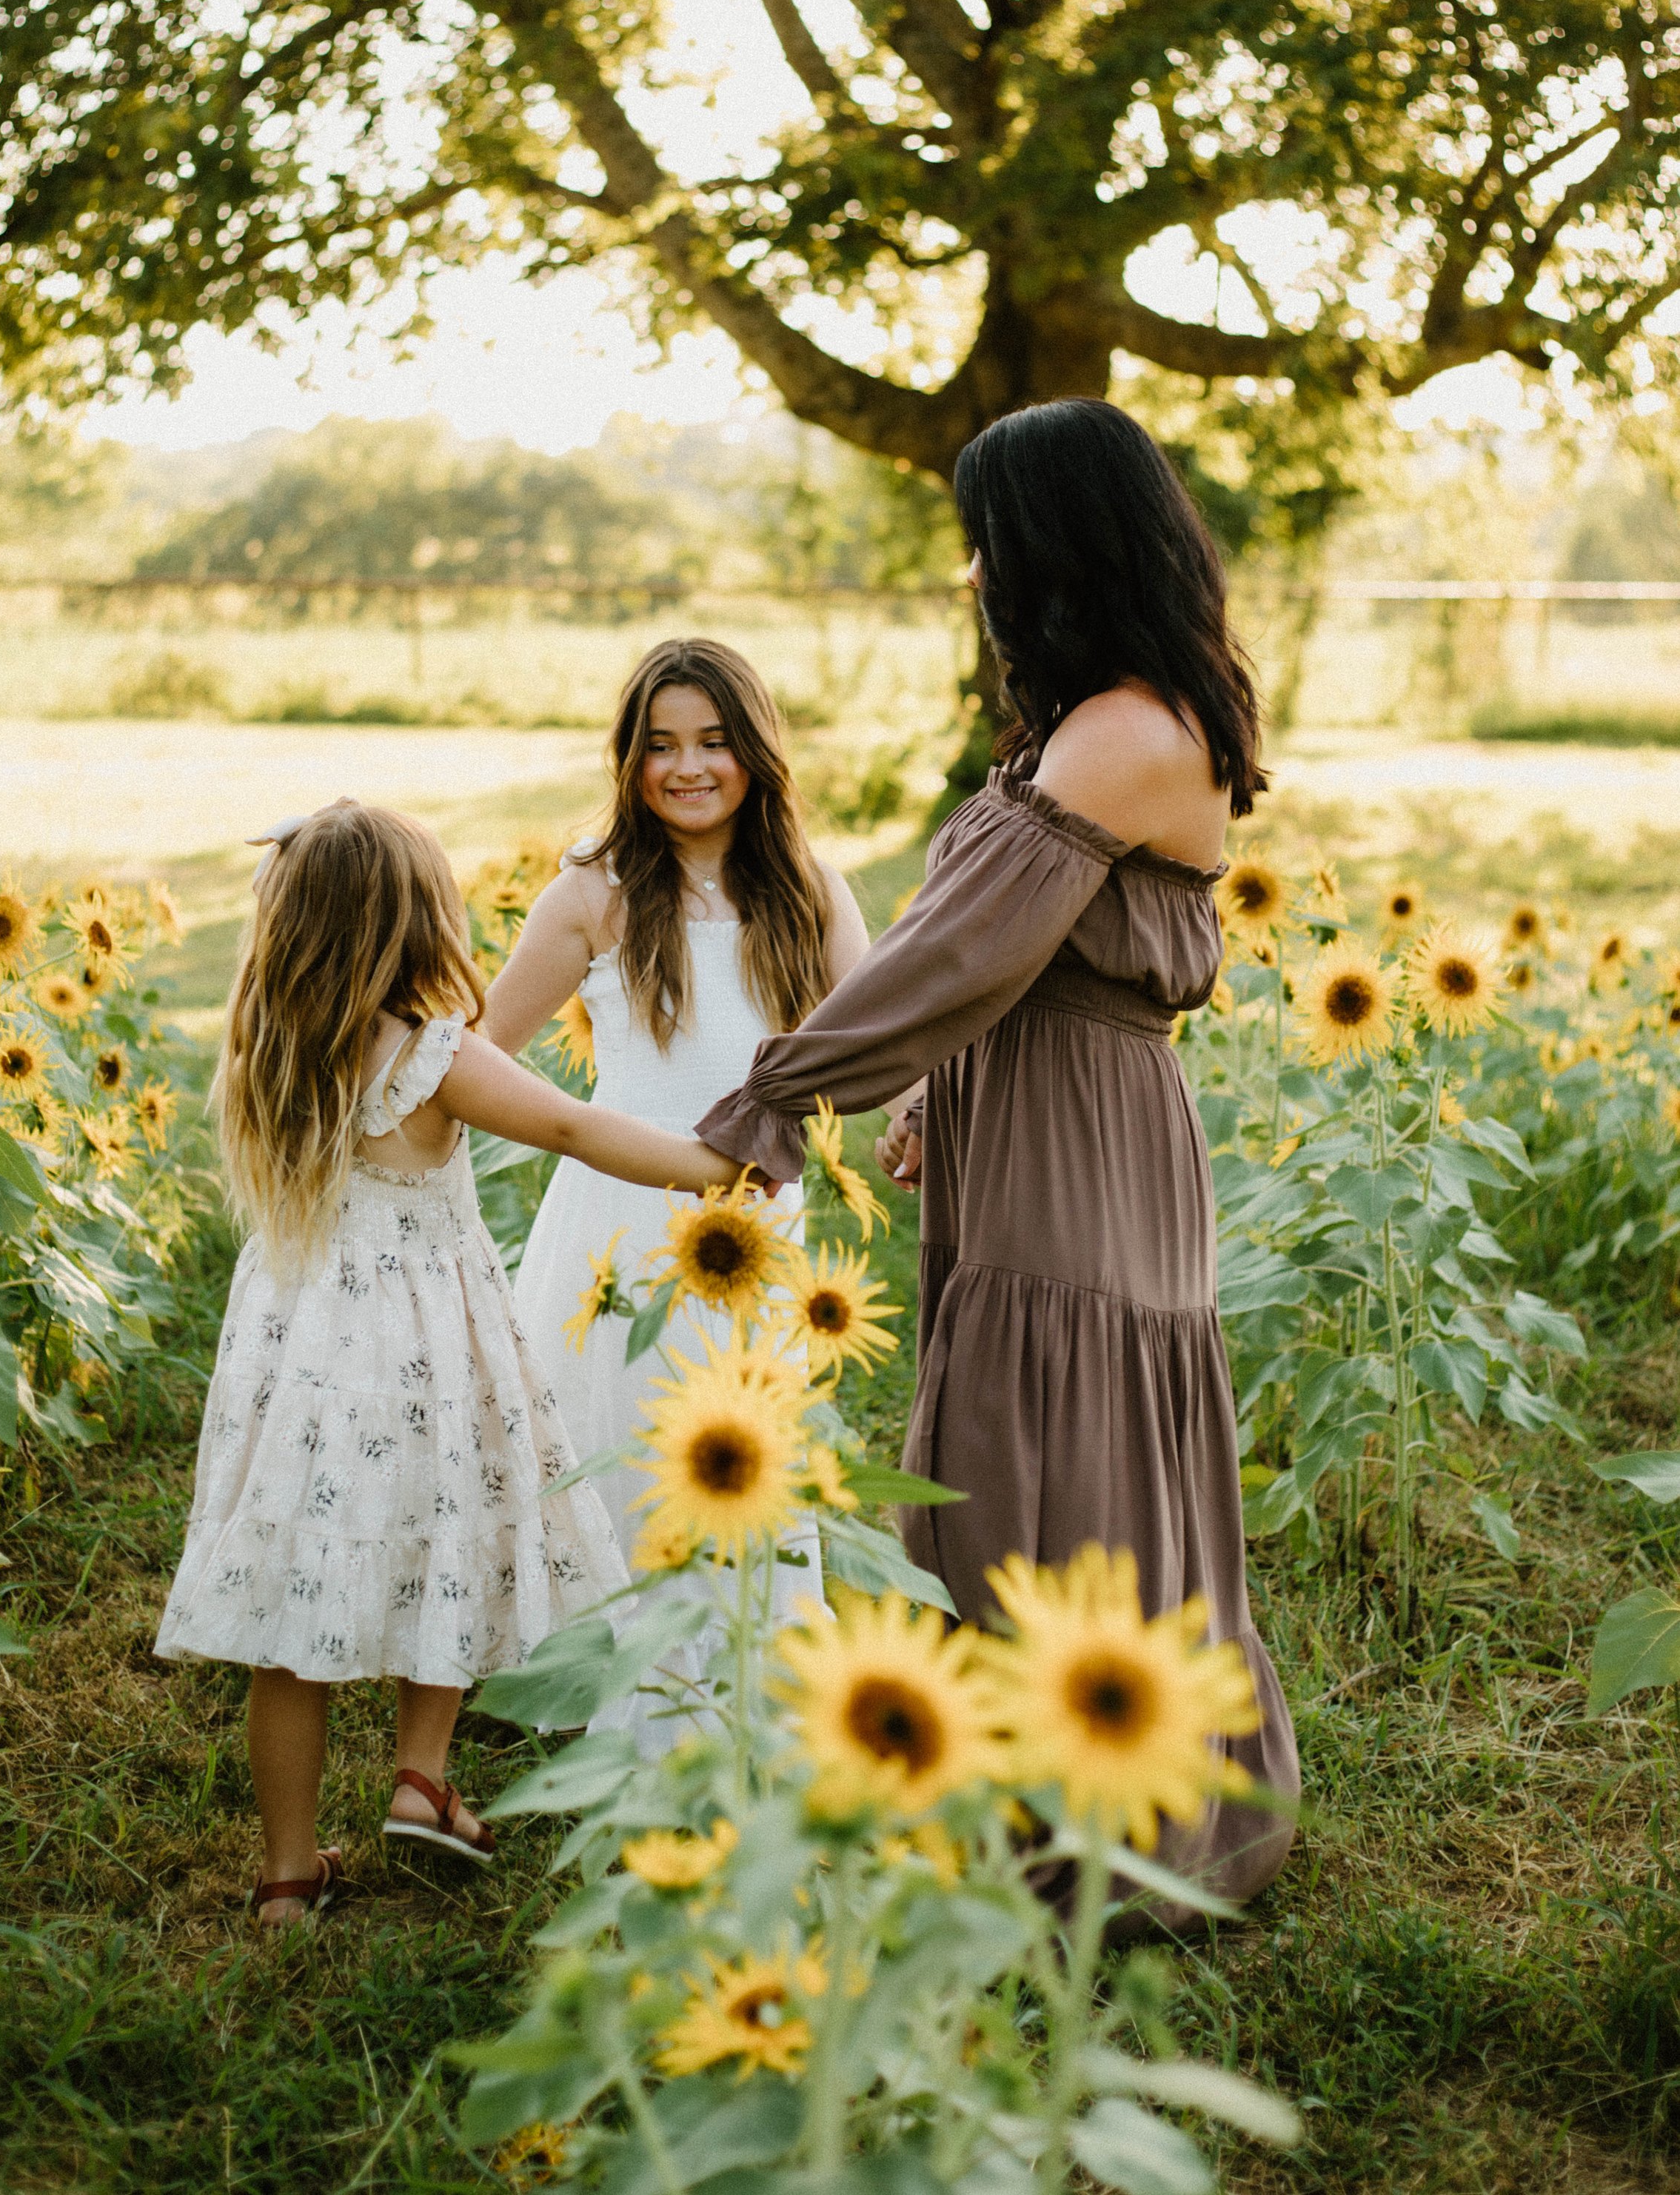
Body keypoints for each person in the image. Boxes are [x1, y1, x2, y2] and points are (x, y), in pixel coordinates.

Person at [696, 401, 1299, 1914]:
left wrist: (784, 1090)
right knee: (1039, 1450)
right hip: (1046, 1115)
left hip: (1081, 1148)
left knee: (1047, 1463)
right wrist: (924, 1100)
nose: (970, 576)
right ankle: (1035, 1806)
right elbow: (1011, 962)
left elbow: (949, 954)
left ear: (1050, 546)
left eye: (986, 543)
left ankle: (1082, 1840)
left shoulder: (1120, 735)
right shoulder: (1101, 720)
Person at [155, 799, 742, 1927]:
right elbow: (573, 1126)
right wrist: (710, 1165)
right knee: (453, 1536)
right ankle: (422, 1772)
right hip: (426, 1340)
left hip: (301, 1351)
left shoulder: (273, 1045)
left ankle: (286, 1877)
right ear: (416, 921)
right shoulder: (433, 1053)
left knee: (292, 1624)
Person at [486, 640, 869, 1589]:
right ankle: (596, 1657)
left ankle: (735, 1651)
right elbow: (481, 1047)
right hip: (613, 1216)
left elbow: (878, 1038)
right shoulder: (590, 892)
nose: (687, 767)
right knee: (614, 1425)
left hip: (752, 1218)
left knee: (737, 1444)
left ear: (754, 750)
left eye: (712, 741)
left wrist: (921, 1119)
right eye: (660, 746)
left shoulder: (810, 892)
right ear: (630, 760)